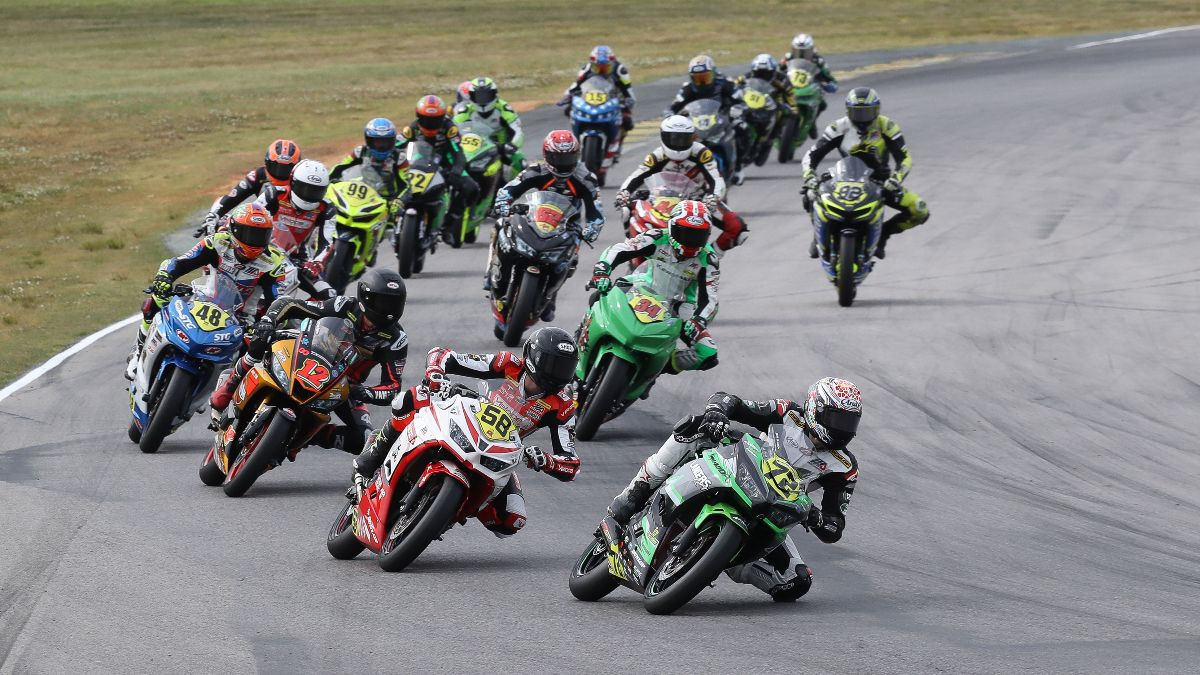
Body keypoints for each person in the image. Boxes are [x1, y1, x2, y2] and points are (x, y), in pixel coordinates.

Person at [606, 378, 863, 601]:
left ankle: (724, 561)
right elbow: (732, 401)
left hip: (772, 509)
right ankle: (630, 498)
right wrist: (717, 412)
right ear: (814, 409)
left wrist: (817, 518)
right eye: (837, 419)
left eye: (849, 422)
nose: (842, 429)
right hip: (740, 466)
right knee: (693, 428)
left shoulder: (844, 466)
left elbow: (834, 527)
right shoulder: (788, 414)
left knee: (796, 581)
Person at [351, 328, 582, 538]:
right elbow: (444, 356)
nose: (556, 373)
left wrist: (547, 461)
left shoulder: (562, 405)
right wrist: (436, 372)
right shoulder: (509, 363)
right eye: (552, 364)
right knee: (408, 400)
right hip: (468, 415)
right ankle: (375, 450)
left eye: (564, 368)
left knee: (512, 520)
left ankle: (447, 513)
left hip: (502, 451)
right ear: (534, 356)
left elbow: (571, 464)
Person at [208, 268, 410, 456]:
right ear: (366, 297)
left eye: (394, 303)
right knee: (260, 340)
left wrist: (362, 392)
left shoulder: (396, 339)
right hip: (307, 355)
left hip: (342, 387)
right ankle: (228, 389)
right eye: (383, 303)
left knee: (364, 440)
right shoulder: (345, 306)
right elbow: (291, 304)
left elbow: (392, 387)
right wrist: (269, 320)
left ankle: (311, 435)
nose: (388, 310)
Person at [126, 204, 288, 379]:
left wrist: (268, 322)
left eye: (260, 235)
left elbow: (278, 300)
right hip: (201, 299)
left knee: (257, 351)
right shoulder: (217, 242)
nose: (254, 241)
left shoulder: (273, 262)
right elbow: (180, 262)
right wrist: (165, 276)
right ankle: (139, 350)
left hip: (240, 318)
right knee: (157, 297)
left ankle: (227, 396)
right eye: (249, 234)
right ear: (234, 229)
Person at [584, 200, 719, 374]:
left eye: (697, 235)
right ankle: (583, 338)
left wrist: (699, 320)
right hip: (641, 288)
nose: (691, 240)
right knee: (598, 296)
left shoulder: (709, 259)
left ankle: (655, 368)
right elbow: (620, 249)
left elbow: (711, 298)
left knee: (708, 354)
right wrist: (602, 270)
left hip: (680, 307)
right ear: (671, 227)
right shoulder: (656, 237)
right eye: (685, 233)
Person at [485, 130, 604, 321]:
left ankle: (549, 296)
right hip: (534, 221)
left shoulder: (586, 179)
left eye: (568, 157)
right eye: (557, 157)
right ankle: (494, 273)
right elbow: (510, 189)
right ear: (547, 155)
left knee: (569, 262)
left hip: (567, 228)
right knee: (501, 226)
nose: (563, 163)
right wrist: (503, 204)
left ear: (577, 155)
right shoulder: (536, 170)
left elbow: (595, 211)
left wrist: (592, 228)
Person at [801, 87, 929, 259]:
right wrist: (809, 175)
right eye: (857, 113)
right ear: (848, 111)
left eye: (867, 113)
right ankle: (818, 233)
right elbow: (812, 154)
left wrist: (895, 180)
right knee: (809, 194)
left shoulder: (887, 126)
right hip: (841, 178)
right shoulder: (838, 127)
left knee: (919, 210)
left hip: (880, 182)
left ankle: (883, 235)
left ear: (877, 110)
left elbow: (905, 158)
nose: (862, 119)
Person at [614, 115, 748, 253]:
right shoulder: (657, 155)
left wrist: (714, 196)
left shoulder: (701, 153)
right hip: (661, 198)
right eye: (673, 138)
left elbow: (716, 178)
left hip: (698, 200)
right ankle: (632, 251)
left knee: (738, 229)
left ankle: (709, 258)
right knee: (627, 208)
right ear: (663, 137)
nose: (678, 143)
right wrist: (624, 192)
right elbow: (637, 175)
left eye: (684, 139)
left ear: (693, 138)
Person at [395, 94, 480, 243]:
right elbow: (395, 145)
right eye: (426, 119)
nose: (430, 124)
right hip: (418, 164)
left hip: (445, 165)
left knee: (471, 188)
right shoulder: (412, 128)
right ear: (419, 117)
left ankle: (449, 224)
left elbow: (458, 153)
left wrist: (457, 170)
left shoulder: (450, 129)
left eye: (435, 120)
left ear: (442, 118)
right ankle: (394, 216)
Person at [252, 158, 337, 298]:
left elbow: (327, 242)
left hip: (298, 260)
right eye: (305, 188)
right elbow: (249, 214)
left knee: (329, 295)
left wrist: (316, 264)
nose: (309, 195)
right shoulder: (274, 194)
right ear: (292, 182)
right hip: (264, 251)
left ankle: (298, 316)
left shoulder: (327, 208)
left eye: (316, 191)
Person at [198, 139, 302, 235]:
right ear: (267, 161)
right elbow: (232, 197)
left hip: (296, 228)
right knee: (222, 222)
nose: (281, 172)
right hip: (261, 225)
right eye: (277, 166)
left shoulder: (302, 180)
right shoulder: (258, 176)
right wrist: (213, 216)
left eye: (286, 168)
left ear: (296, 168)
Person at [667, 55, 743, 183]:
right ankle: (675, 171)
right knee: (673, 136)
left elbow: (741, 100)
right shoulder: (688, 88)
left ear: (713, 73)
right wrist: (669, 115)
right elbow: (673, 106)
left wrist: (737, 109)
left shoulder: (725, 83)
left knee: (741, 128)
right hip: (697, 121)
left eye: (705, 77)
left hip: (723, 118)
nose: (702, 81)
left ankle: (738, 167)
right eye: (698, 78)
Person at [559, 46, 636, 154]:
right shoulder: (587, 68)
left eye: (605, 68)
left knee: (627, 121)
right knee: (568, 110)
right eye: (598, 67)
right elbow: (576, 85)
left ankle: (618, 144)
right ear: (592, 64)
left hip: (614, 97)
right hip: (590, 97)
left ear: (612, 64)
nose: (601, 71)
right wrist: (566, 96)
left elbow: (628, 90)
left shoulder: (620, 70)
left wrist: (629, 101)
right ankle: (575, 138)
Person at [453, 77, 527, 174]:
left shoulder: (504, 109)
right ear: (471, 96)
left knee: (522, 164)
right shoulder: (465, 111)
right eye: (478, 96)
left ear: (494, 94)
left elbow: (518, 131)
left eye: (486, 96)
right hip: (474, 149)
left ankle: (513, 187)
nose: (482, 100)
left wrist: (512, 145)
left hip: (502, 148)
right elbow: (454, 130)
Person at [328, 118, 407, 201]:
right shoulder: (360, 152)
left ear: (393, 141)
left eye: (385, 141)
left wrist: (399, 201)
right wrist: (327, 181)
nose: (381, 146)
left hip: (388, 201)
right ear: (369, 140)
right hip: (363, 197)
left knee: (410, 212)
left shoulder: (399, 158)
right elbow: (339, 167)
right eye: (377, 142)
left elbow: (406, 186)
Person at [780, 33, 838, 137]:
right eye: (798, 52)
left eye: (804, 52)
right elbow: (778, 70)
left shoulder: (818, 60)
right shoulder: (788, 57)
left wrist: (829, 84)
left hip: (809, 86)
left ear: (811, 50)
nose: (801, 55)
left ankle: (812, 122)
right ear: (793, 49)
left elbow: (828, 76)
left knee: (822, 104)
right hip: (790, 85)